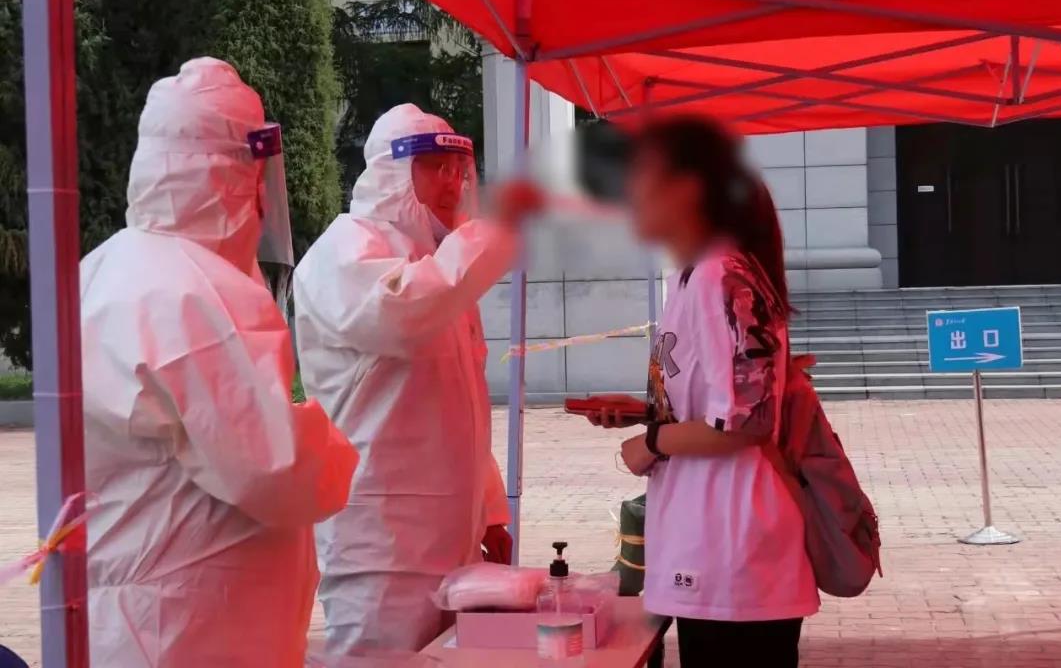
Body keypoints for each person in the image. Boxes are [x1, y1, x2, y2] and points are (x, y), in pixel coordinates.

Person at [81, 57, 359, 668]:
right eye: (256, 177)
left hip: (135, 614)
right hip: (196, 625)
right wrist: (336, 447)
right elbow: (276, 471)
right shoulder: (197, 292)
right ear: (229, 174)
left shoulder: (104, 269)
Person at [292, 104, 540, 653]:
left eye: (457, 169)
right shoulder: (345, 251)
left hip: (452, 537)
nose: (451, 183)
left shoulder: (441, 266)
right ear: (392, 172)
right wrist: (495, 232)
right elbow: (402, 312)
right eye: (433, 167)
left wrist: (488, 512)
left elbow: (462, 406)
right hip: (380, 546)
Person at [586, 116, 818, 667]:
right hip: (712, 544)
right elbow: (721, 402)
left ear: (686, 189)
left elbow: (746, 422)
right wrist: (647, 413)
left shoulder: (720, 275)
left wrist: (653, 442)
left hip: (735, 552)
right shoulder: (695, 276)